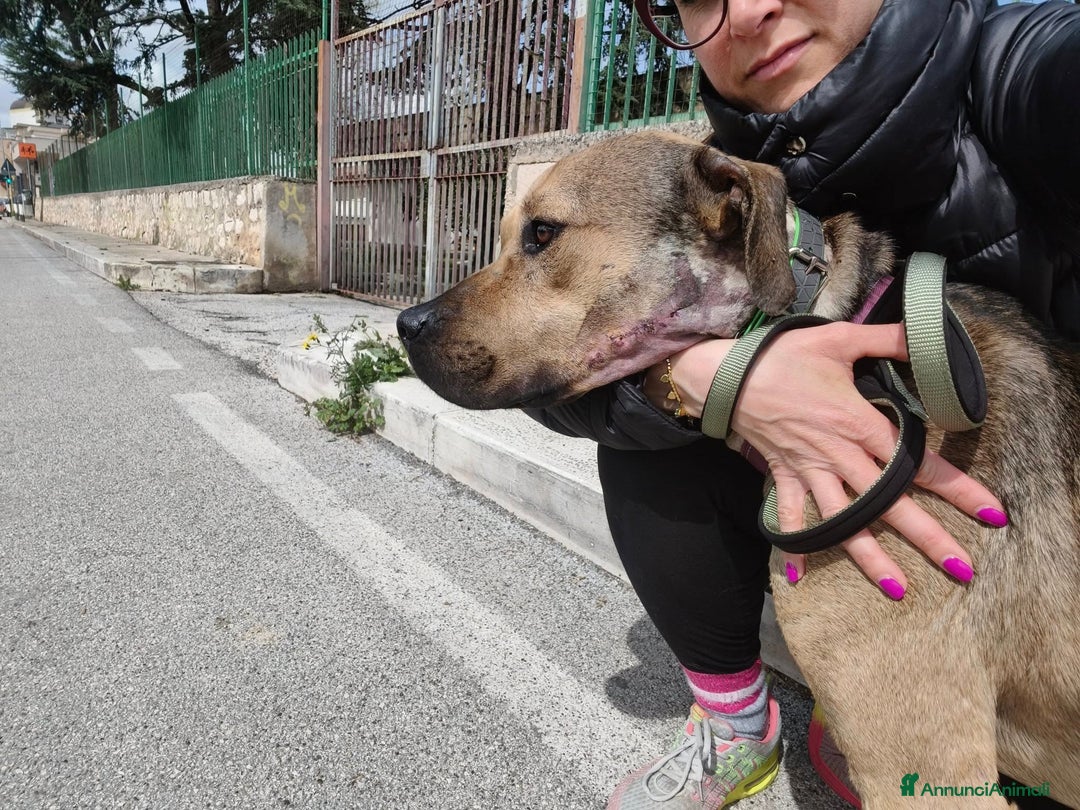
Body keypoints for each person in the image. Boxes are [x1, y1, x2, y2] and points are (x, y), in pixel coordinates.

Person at [526, 0, 1080, 806]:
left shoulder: (1021, 69)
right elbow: (531, 367)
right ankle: (737, 726)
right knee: (648, 422)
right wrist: (714, 374)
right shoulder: (705, 173)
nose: (749, 10)